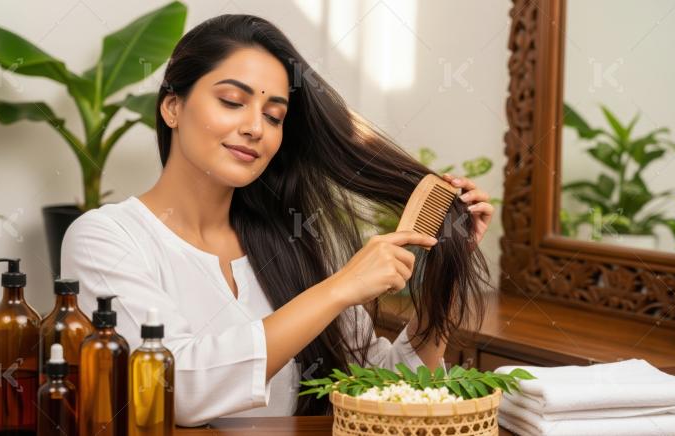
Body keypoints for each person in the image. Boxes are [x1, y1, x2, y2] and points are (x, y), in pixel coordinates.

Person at [61, 13, 494, 426]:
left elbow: (382, 386)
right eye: (232, 101)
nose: (256, 127)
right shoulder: (105, 240)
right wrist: (340, 288)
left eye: (274, 116)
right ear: (172, 107)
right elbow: (174, 388)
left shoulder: (294, 244)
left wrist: (446, 268)